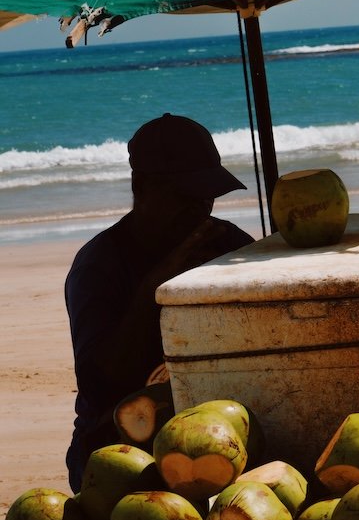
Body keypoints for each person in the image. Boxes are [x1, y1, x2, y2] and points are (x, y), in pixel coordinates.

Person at [65, 113, 254, 492]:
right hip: (116, 446)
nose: (200, 211)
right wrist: (155, 289)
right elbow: (100, 383)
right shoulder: (98, 266)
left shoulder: (227, 245)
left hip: (213, 434)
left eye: (207, 198)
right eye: (185, 198)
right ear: (142, 186)